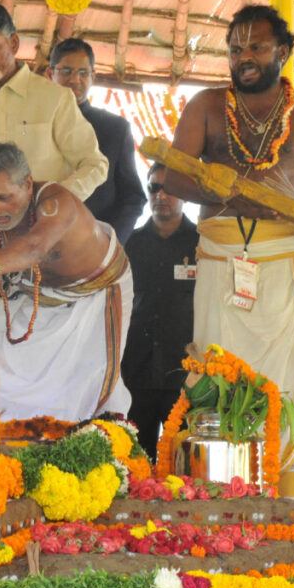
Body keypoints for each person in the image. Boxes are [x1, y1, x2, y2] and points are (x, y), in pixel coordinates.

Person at [167, 4, 294, 499]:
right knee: (215, 364)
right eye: (235, 49)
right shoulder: (205, 106)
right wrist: (228, 193)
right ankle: (216, 488)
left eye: (255, 47)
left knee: (286, 372)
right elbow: (173, 175)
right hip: (221, 253)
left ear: (283, 52)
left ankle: (284, 491)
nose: (243, 57)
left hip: (287, 254)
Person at [0, 143, 132, 422]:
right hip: (33, 293)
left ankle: (87, 451)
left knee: (86, 384)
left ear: (28, 184)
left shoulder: (56, 203)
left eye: (3, 197)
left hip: (94, 295)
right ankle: (10, 438)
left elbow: (36, 246)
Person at [0, 3, 107, 216]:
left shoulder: (55, 98)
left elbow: (94, 164)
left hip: (46, 235)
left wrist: (51, 204)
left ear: (14, 43)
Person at [121, 164, 199, 458]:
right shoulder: (130, 242)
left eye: (171, 188)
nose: (161, 195)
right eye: (154, 187)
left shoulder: (202, 243)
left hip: (183, 376)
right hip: (135, 372)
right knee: (135, 462)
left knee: (180, 464)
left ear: (185, 195)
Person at [47, 37, 145, 245]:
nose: (75, 80)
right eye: (66, 71)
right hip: (41, 244)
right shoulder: (34, 125)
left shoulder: (115, 129)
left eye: (83, 73)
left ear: (93, 77)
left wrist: (110, 244)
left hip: (95, 251)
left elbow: (133, 198)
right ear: (50, 74)